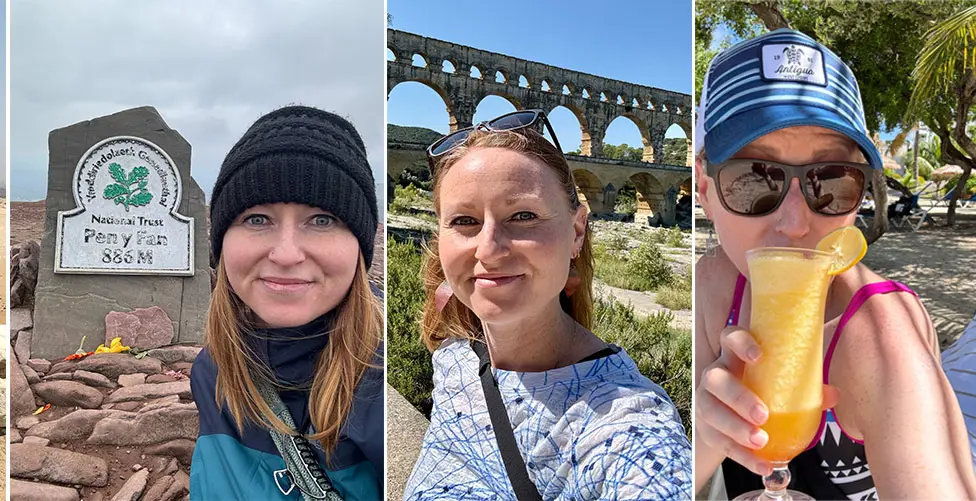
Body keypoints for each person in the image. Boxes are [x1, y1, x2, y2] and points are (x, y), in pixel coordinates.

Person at [693, 29, 976, 499]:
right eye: (753, 178)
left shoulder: (885, 336)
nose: (795, 222)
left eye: (832, 180)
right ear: (704, 189)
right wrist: (706, 435)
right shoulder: (710, 287)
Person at [403, 110, 691, 500]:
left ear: (576, 231)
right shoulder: (454, 356)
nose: (488, 249)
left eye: (523, 215)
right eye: (464, 220)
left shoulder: (624, 426)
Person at [190, 105, 385, 500]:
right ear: (222, 242)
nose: (286, 254)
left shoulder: (381, 384)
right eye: (258, 219)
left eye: (322, 219)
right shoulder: (210, 371)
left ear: (359, 247)